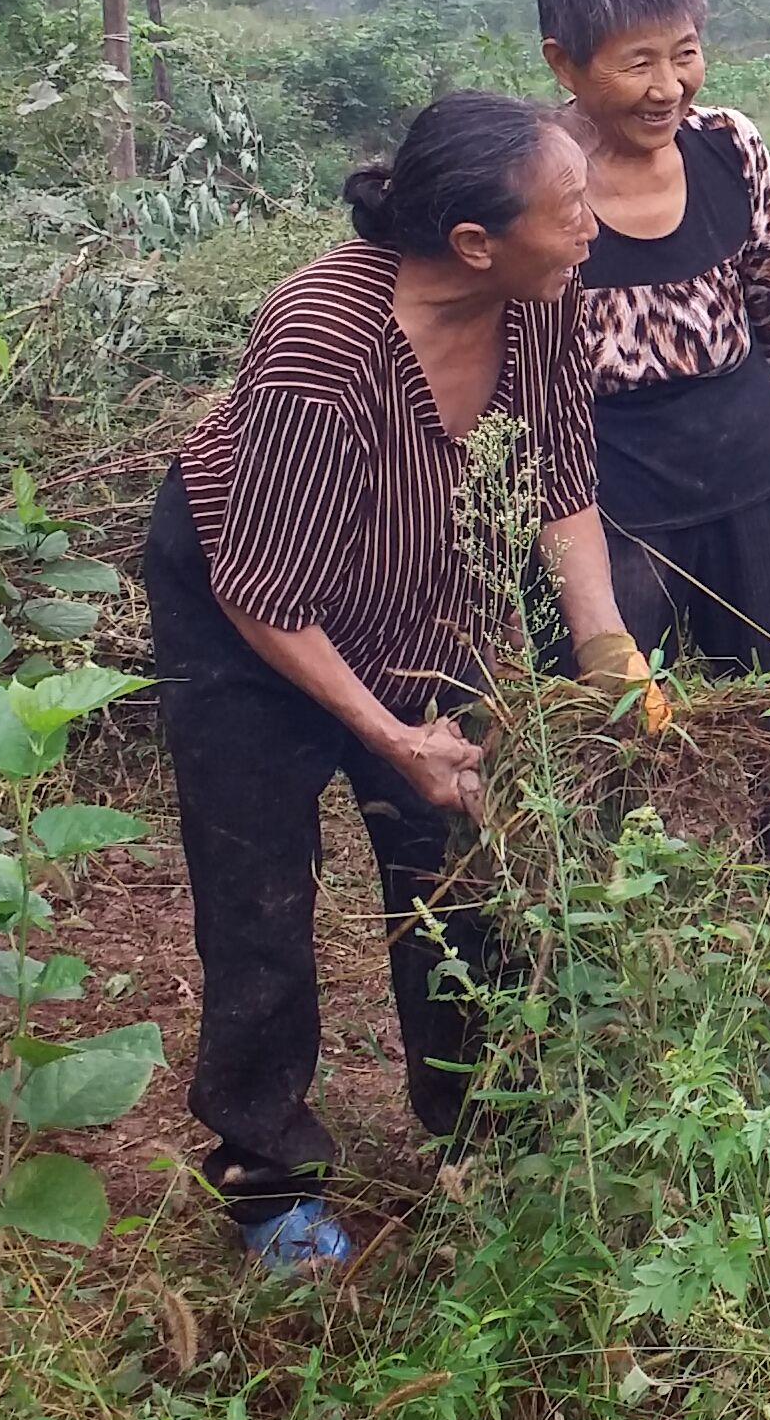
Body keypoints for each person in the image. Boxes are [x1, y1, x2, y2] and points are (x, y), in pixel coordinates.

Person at [142, 90, 653, 1275]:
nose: (593, 227)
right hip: (249, 619)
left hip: (421, 590)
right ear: (475, 241)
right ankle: (269, 1178)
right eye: (570, 209)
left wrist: (604, 653)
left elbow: (561, 487)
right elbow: (263, 591)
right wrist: (388, 733)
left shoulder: (541, 304)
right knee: (260, 893)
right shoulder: (325, 345)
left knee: (459, 870)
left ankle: (484, 1131)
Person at [539, 0, 770, 681]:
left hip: (753, 479)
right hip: (607, 502)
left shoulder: (729, 146)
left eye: (684, 53)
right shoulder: (533, 182)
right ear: (563, 63)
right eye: (637, 63)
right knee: (602, 746)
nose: (668, 87)